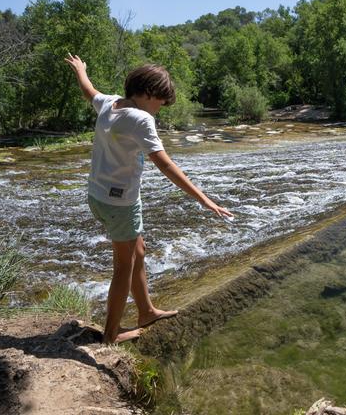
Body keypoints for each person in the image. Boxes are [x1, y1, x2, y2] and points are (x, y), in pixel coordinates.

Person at [64, 53, 234, 343]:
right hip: (121, 203)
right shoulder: (141, 119)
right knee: (124, 266)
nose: (162, 107)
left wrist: (81, 69)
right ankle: (110, 335)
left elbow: (88, 90)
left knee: (138, 251)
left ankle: (146, 311)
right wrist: (204, 200)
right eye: (161, 101)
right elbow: (165, 165)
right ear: (147, 93)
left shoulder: (109, 103)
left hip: (98, 196)